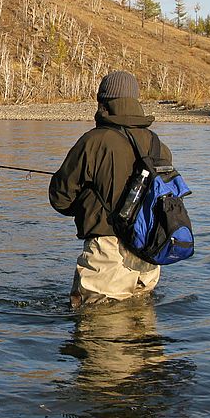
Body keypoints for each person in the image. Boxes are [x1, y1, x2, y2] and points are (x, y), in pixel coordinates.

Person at [49, 71, 172, 308]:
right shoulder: (158, 145)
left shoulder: (94, 141)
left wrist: (87, 203)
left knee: (100, 336)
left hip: (107, 256)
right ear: (136, 100)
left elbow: (60, 199)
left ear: (103, 102)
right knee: (141, 336)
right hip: (149, 257)